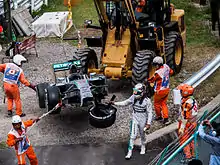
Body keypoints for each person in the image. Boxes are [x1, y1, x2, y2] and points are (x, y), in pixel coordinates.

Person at [111, 83, 153, 159]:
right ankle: (129, 152)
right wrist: (114, 103)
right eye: (135, 92)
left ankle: (143, 146)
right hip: (135, 118)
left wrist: (148, 123)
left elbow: (150, 112)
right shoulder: (133, 97)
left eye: (137, 92)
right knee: (132, 136)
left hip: (143, 119)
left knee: (142, 134)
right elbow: (125, 102)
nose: (135, 94)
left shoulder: (147, 101)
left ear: (142, 92)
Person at [147, 56, 173, 125]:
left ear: (158, 64)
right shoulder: (166, 66)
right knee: (164, 104)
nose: (155, 66)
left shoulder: (158, 72)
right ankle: (166, 119)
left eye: (155, 65)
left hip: (159, 91)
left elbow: (152, 80)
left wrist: (146, 80)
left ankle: (159, 116)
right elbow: (171, 72)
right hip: (166, 89)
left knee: (157, 104)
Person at [177, 84, 199, 163]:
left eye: (181, 91)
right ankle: (193, 154)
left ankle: (188, 156)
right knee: (192, 139)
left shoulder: (187, 103)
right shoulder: (192, 100)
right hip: (193, 122)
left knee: (184, 140)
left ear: (185, 92)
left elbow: (185, 117)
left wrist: (182, 128)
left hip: (187, 123)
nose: (180, 92)